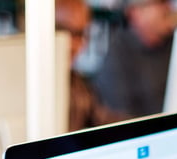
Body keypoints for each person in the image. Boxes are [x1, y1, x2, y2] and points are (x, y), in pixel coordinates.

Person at [92, 0, 174, 117]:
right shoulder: (117, 58)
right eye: (161, 2)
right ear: (135, 13)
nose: (170, 7)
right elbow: (122, 121)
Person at [55, 0, 128, 131]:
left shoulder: (77, 84)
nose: (75, 44)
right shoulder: (26, 87)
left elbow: (104, 121)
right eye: (63, 30)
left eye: (81, 34)